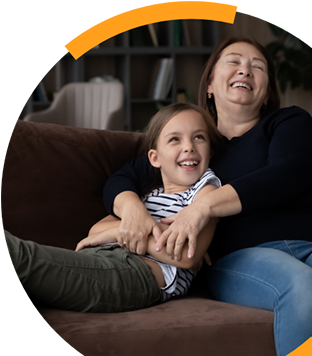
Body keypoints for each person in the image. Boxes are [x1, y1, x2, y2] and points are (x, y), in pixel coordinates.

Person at [102, 37, 312, 356]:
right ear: (210, 84)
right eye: (233, 61)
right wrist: (133, 211)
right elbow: (121, 179)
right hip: (241, 255)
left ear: (267, 91)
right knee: (305, 287)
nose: (245, 70)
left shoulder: (288, 122)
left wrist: (202, 207)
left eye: (257, 66)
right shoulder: (196, 145)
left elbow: (288, 172)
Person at [3, 103, 222, 313]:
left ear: (210, 151)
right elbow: (95, 231)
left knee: (17, 254)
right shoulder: (149, 195)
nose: (189, 146)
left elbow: (186, 256)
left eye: (199, 137)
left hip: (136, 273)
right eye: (175, 139)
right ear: (155, 158)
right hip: (103, 257)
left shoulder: (207, 193)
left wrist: (120, 232)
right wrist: (130, 229)